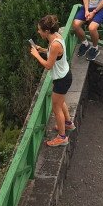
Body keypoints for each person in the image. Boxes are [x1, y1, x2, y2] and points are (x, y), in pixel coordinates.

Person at [30, 14, 75, 146]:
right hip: (64, 76)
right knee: (60, 103)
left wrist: (37, 55)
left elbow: (48, 65)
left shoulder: (54, 44)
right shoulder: (56, 38)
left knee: (56, 108)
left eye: (40, 30)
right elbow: (53, 54)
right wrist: (42, 49)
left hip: (62, 79)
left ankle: (62, 137)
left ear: (47, 31)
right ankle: (68, 124)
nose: (38, 32)